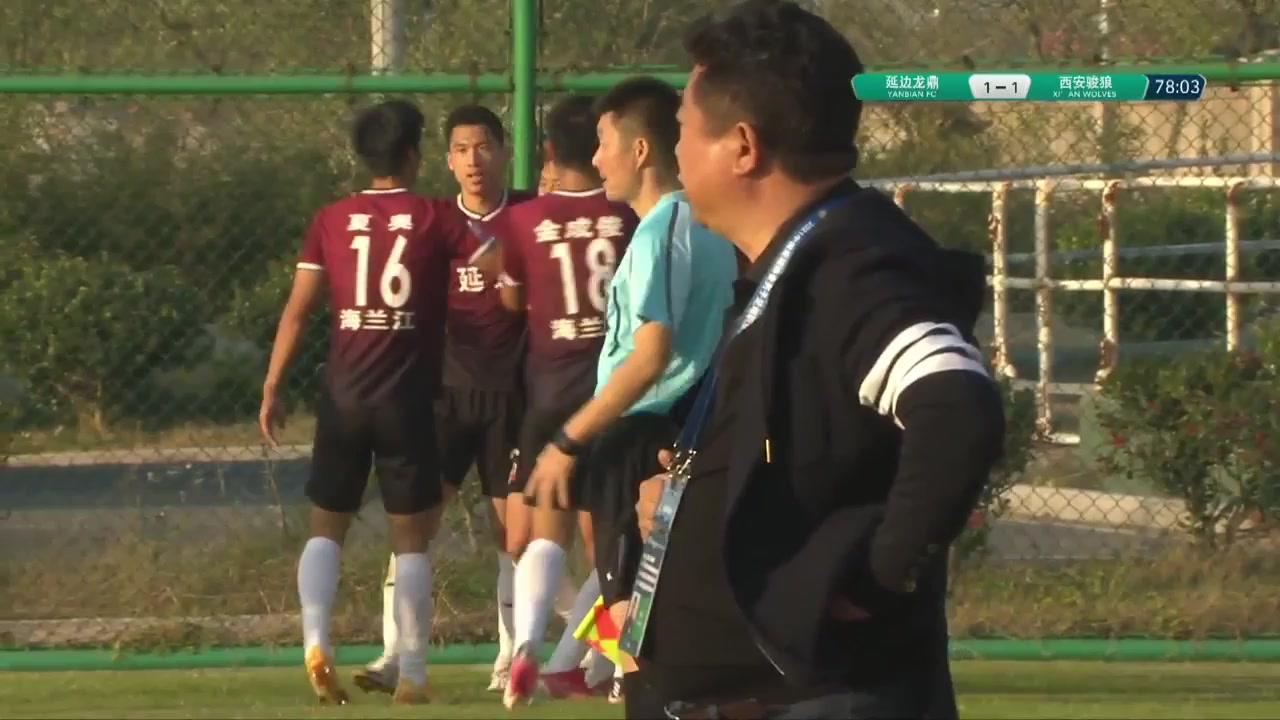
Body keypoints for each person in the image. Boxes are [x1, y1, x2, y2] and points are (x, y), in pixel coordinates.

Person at [626, 2, 1006, 718]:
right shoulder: (798, 263)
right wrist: (684, 505)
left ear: (742, 147)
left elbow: (957, 406)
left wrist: (876, 576)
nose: (673, 151)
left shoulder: (852, 266)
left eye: (681, 128)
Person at [524, 75, 737, 704]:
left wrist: (569, 438)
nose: (593, 160)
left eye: (601, 143)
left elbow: (649, 356)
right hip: (680, 426)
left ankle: (634, 684)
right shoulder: (705, 224)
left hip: (647, 430)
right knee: (644, 605)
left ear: (639, 151)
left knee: (639, 619)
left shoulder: (662, 229)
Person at [258, 99, 474, 706]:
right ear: (414, 154)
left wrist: (273, 384)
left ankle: (317, 640)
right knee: (410, 541)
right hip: (408, 402)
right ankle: (413, 674)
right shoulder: (436, 218)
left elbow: (298, 311)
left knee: (327, 527)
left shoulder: (332, 219)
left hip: (344, 397)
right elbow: (496, 267)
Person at [353, 105, 535, 696]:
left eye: (484, 146)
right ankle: (394, 655)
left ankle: (512, 658)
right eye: (461, 149)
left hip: (513, 397)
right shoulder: (429, 222)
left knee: (515, 534)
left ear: (505, 150)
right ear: (447, 160)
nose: (474, 160)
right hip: (447, 397)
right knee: (415, 526)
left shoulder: (531, 215)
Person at [496, 94, 640, 709]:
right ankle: (611, 663)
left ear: (550, 151)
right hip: (614, 395)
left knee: (545, 534)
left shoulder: (525, 219)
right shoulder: (631, 215)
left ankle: (526, 645)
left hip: (549, 393)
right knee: (616, 540)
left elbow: (509, 301)